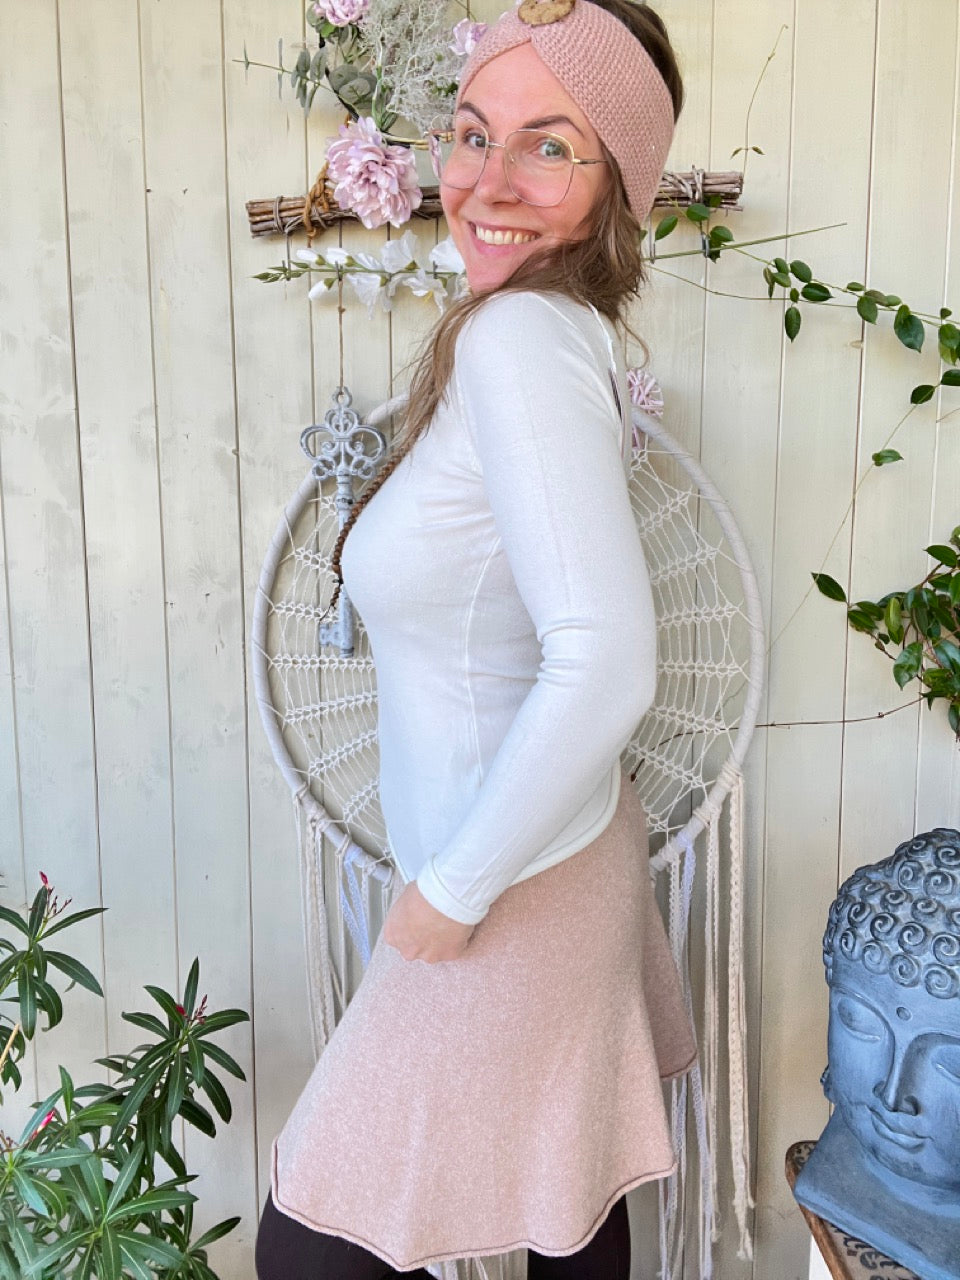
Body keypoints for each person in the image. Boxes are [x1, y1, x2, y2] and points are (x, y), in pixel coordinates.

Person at [255, 2, 696, 1277]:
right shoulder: (543, 331)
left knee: (312, 1244)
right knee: (564, 1198)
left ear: (615, 182)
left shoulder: (519, 340)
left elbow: (607, 657)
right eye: (471, 132)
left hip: (514, 886)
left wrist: (450, 892)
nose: (488, 180)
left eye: (550, 145)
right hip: (550, 856)